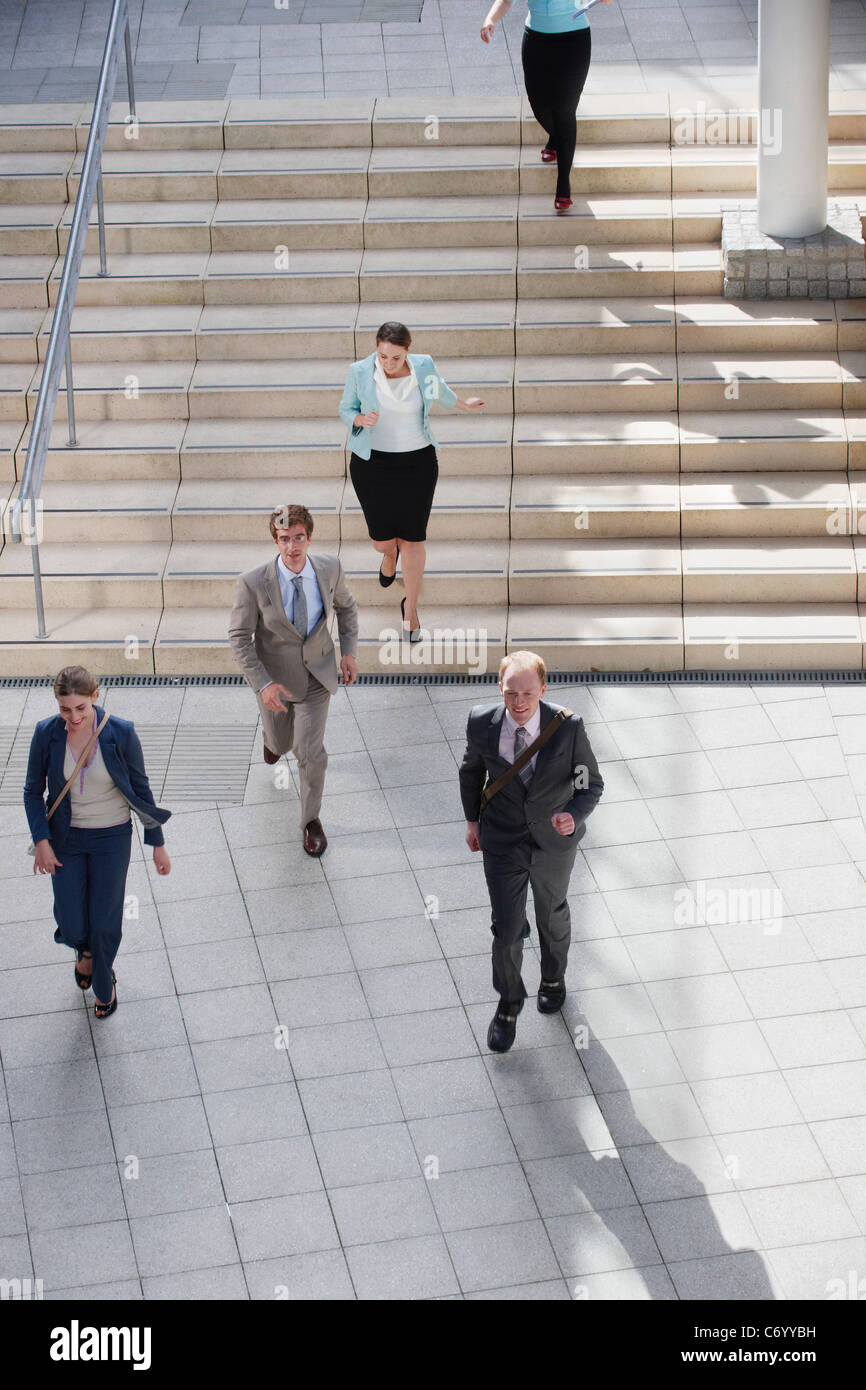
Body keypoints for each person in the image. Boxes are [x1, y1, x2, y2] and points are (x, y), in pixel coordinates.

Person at [459, 649, 604, 1052]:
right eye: (510, 693)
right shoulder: (481, 724)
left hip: (553, 842)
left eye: (527, 693)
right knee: (505, 927)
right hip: (502, 841)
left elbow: (590, 783)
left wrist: (574, 815)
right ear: (500, 689)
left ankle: (553, 978)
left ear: (543, 688)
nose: (519, 703)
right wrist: (472, 820)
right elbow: (470, 772)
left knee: (551, 913)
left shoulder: (568, 728)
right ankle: (508, 1003)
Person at [23, 666, 171, 1019]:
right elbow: (32, 791)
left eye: (80, 709)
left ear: (95, 696)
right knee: (72, 919)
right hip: (65, 837)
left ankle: (105, 986)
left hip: (111, 836)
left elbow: (141, 788)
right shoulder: (46, 734)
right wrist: (41, 840)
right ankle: (83, 952)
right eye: (64, 710)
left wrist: (158, 843)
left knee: (105, 921)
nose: (72, 718)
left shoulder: (121, 733)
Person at [339, 321, 484, 642]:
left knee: (414, 540)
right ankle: (389, 556)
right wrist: (360, 419)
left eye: (396, 357)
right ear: (376, 349)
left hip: (418, 464)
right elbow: (345, 408)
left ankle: (411, 609)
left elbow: (439, 391)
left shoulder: (422, 366)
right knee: (382, 541)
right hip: (372, 464)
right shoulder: (360, 371)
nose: (388, 364)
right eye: (383, 356)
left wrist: (464, 405)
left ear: (408, 351)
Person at [228, 503, 359, 857]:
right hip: (276, 681)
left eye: (299, 537)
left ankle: (310, 821)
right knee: (281, 740)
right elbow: (239, 638)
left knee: (309, 752)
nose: (292, 546)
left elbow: (347, 608)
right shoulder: (253, 583)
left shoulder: (329, 569)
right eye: (285, 538)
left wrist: (348, 652)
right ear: (275, 540)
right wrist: (263, 683)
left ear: (309, 537)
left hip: (318, 675)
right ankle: (273, 741)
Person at [481, 0, 616, 212]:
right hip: (537, 40)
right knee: (539, 105)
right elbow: (507, 1)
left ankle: (563, 185)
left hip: (575, 40)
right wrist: (490, 19)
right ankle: (556, 137)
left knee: (564, 109)